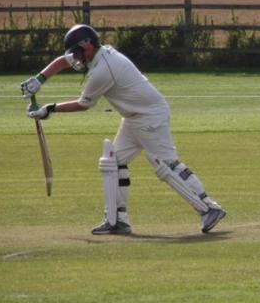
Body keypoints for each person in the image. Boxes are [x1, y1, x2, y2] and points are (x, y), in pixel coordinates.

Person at [21, 24, 226, 235]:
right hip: (133, 117)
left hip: (150, 115)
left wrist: (50, 109)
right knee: (113, 162)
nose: (75, 58)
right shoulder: (95, 54)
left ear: (88, 46)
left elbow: (85, 104)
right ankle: (117, 219)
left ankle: (209, 207)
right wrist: (40, 79)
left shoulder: (102, 70)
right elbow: (64, 61)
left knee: (165, 166)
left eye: (77, 52)